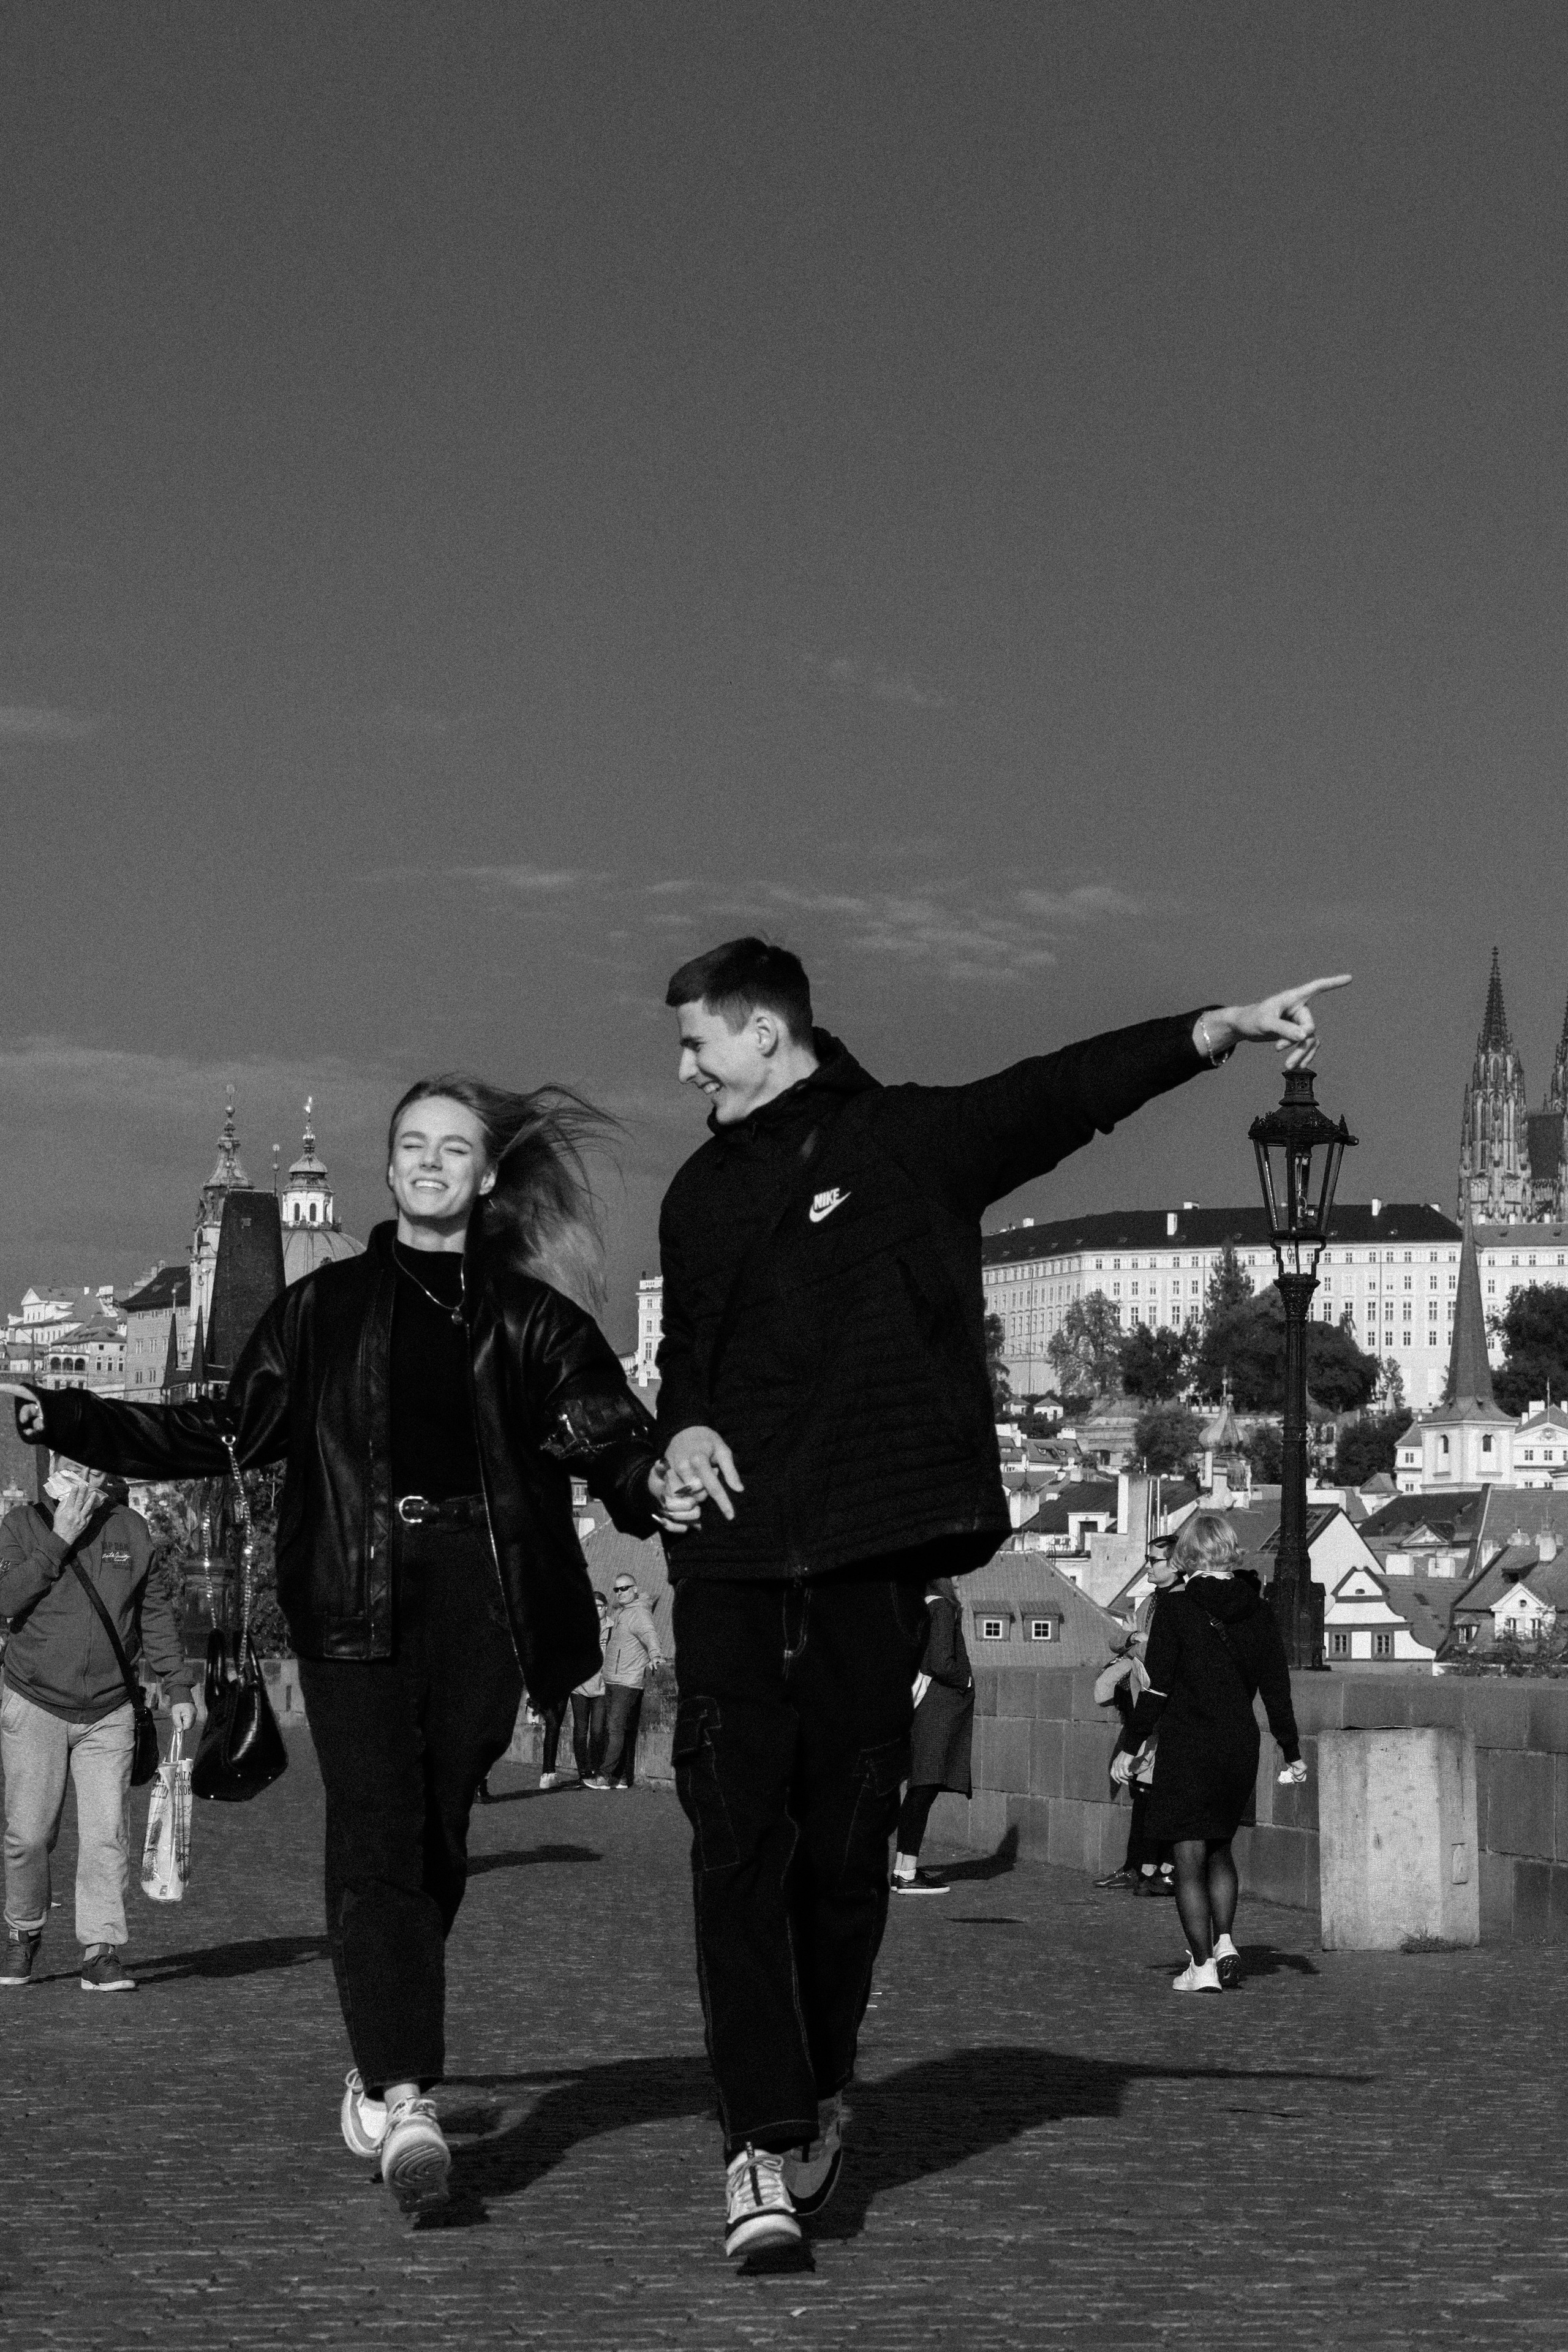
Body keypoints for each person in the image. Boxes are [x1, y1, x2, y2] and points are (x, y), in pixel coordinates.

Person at [653, 934, 1348, 2258]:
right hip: (733, 1566)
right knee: (735, 1853)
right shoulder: (696, 1194)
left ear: (763, 1032)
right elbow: (688, 1351)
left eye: (697, 1044)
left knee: (843, 1863)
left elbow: (1056, 1093)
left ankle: (813, 2092)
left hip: (867, 1561)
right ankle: (757, 2142)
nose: (685, 1071)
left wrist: (1215, 1027)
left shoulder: (906, 1144)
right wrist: (680, 1431)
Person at [13, 1076, 692, 2215]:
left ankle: (378, 2049)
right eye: (413, 1144)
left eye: (453, 1149)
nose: (430, 1162)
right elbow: (226, 1426)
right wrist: (69, 1414)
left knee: (434, 1833)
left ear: (484, 1178)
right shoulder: (325, 1309)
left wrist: (652, 1479)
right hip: (349, 1593)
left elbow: (602, 1433)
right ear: (387, 1171)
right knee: (377, 1824)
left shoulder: (532, 1322)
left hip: (484, 1598)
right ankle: (408, 2094)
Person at [0, 1458, 196, 1992]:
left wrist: (177, 1685)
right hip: (34, 1699)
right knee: (28, 1834)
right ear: (53, 1465)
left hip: (109, 1708)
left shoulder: (130, 1529)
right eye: (72, 1463)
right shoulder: (21, 1525)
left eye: (93, 1465)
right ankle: (23, 1932)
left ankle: (100, 1948)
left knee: (106, 1834)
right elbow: (6, 1600)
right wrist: (58, 1540)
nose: (83, 1474)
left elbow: (154, 1612)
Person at [1113, 1512, 1305, 1991]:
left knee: (1189, 1855)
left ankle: (1202, 1968)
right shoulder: (1258, 1611)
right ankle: (1224, 1941)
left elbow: (1157, 1691)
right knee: (1221, 1846)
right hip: (1240, 1742)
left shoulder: (1176, 1610)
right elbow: (1277, 1690)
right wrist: (1292, 1750)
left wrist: (1130, 1745)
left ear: (1186, 1557)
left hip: (1188, 1742)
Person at [889, 1575, 974, 1897]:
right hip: (938, 1710)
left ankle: (902, 1870)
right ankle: (907, 1874)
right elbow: (940, 1660)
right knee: (923, 1790)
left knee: (918, 1790)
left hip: (923, 1708)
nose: (958, 1580)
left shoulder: (916, 1607)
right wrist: (964, 1679)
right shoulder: (941, 1607)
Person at [593, 1574, 663, 1790]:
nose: (620, 1592)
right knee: (620, 1730)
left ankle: (604, 1776)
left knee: (614, 1730)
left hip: (627, 1681)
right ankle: (622, 1777)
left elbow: (650, 1634)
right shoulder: (623, 1612)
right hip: (614, 1679)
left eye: (625, 1588)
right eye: (617, 1590)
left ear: (635, 1588)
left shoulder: (640, 1613)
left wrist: (656, 1655)